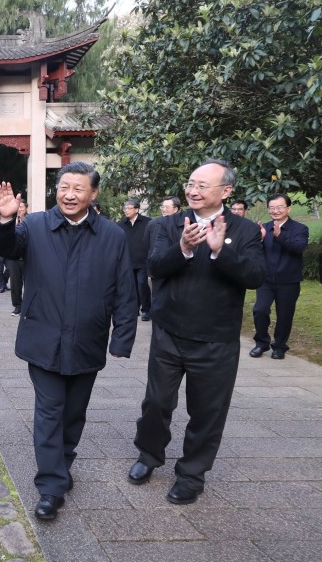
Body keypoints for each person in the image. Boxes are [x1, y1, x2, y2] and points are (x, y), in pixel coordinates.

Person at [0, 161, 137, 520]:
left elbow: (125, 290)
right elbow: (5, 247)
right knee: (49, 410)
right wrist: (7, 219)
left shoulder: (111, 235)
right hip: (43, 338)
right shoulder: (36, 226)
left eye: (78, 188)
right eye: (63, 187)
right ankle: (51, 486)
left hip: (88, 340)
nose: (69, 194)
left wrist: (122, 337)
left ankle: (63, 462)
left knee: (74, 414)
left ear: (93, 193)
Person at [130, 160, 265, 506]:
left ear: (226, 191)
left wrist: (222, 250)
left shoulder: (246, 230)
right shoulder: (167, 225)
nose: (193, 190)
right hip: (169, 332)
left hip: (216, 339)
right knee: (156, 402)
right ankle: (148, 456)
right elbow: (155, 266)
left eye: (203, 185)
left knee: (207, 411)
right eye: (191, 183)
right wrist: (184, 248)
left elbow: (254, 277)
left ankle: (191, 475)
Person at [250, 193, 309, 360]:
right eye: (272, 207)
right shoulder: (264, 228)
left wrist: (279, 236)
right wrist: (259, 239)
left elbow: (298, 248)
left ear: (288, 208)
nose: (275, 210)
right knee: (260, 310)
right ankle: (261, 343)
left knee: (284, 315)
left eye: (279, 207)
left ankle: (279, 346)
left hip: (289, 281)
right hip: (266, 280)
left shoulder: (300, 229)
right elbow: (255, 253)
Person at [118, 198, 152, 321]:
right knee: (131, 287)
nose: (126, 211)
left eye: (129, 208)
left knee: (142, 285)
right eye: (125, 208)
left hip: (143, 260)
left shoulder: (148, 222)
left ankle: (147, 310)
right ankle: (134, 308)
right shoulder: (121, 225)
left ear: (136, 209)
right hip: (128, 261)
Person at [8, 199, 27, 316]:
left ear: (26, 208)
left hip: (27, 257)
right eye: (18, 207)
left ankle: (27, 307)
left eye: (22, 207)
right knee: (15, 283)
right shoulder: (11, 220)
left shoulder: (30, 221)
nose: (19, 210)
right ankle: (17, 306)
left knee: (29, 283)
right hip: (14, 257)